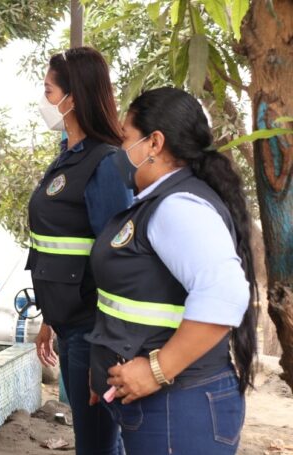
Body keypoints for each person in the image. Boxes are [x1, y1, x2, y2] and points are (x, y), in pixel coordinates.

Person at [87, 87, 258, 454]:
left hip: (179, 407)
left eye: (125, 138)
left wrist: (156, 370)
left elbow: (225, 294)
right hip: (163, 409)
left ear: (154, 143)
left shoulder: (177, 206)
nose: (119, 151)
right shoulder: (155, 202)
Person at [28, 46, 130, 454]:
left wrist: (105, 352)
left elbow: (117, 260)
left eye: (49, 92)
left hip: (94, 331)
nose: (44, 101)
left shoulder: (105, 164)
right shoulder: (67, 158)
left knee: (97, 444)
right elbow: (57, 249)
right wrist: (50, 319)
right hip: (70, 325)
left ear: (74, 97)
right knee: (91, 441)